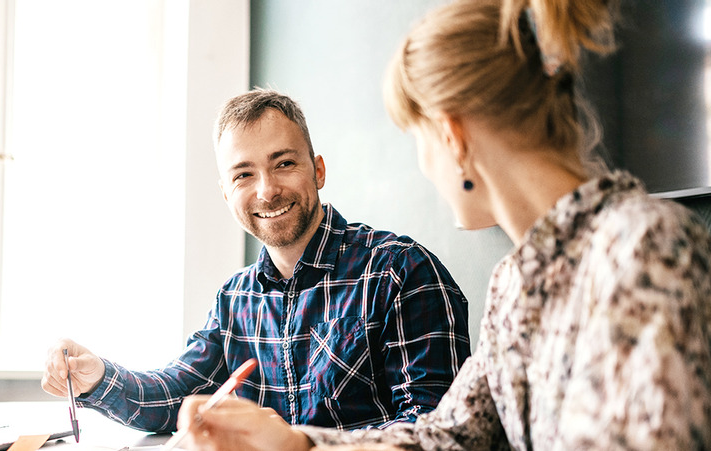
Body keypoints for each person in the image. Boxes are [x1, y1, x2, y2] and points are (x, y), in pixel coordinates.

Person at [174, 0, 711, 449]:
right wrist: (299, 443)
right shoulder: (515, 284)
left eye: (419, 139)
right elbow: (450, 436)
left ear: (451, 137)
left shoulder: (646, 245)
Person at [40, 89, 472, 432]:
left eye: (283, 163)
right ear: (226, 192)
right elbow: (174, 397)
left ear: (318, 170)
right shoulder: (234, 300)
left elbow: (434, 429)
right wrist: (98, 377)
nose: (266, 190)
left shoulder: (401, 271)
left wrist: (299, 446)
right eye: (243, 174)